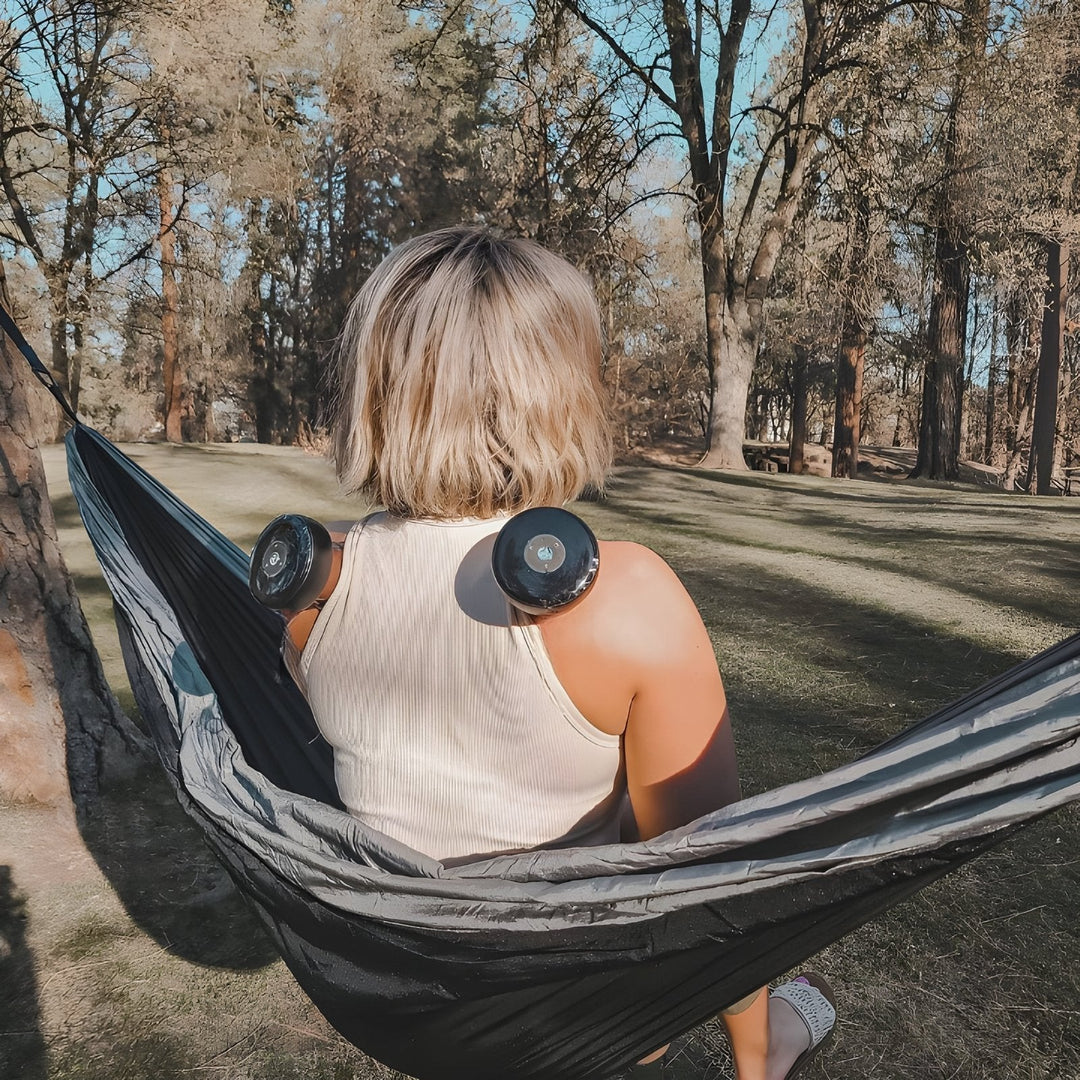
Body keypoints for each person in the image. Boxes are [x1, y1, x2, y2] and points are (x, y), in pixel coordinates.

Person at [281, 226, 836, 1080]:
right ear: (559, 392)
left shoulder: (310, 593)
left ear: (378, 390)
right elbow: (709, 877)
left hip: (408, 1002)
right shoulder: (628, 596)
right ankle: (770, 1055)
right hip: (583, 1016)